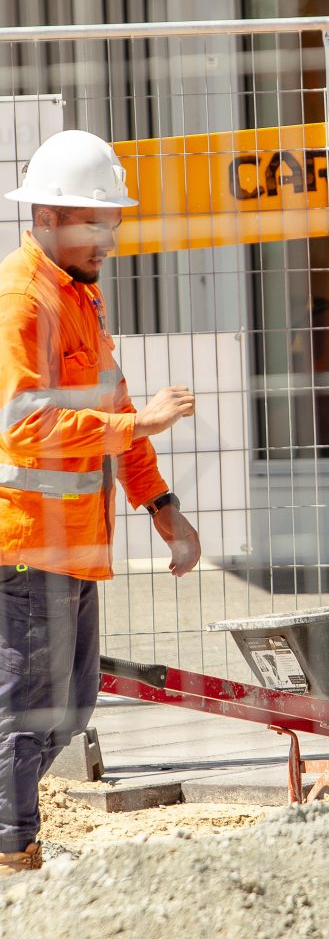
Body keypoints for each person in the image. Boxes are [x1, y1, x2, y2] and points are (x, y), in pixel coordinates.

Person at [0, 130, 201, 875]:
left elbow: (112, 408)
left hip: (74, 548)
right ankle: (12, 854)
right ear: (49, 215)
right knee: (25, 714)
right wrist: (136, 422)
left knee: (72, 709)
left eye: (112, 222)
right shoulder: (22, 300)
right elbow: (23, 427)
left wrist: (161, 505)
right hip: (25, 547)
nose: (108, 238)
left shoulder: (78, 295)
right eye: (96, 222)